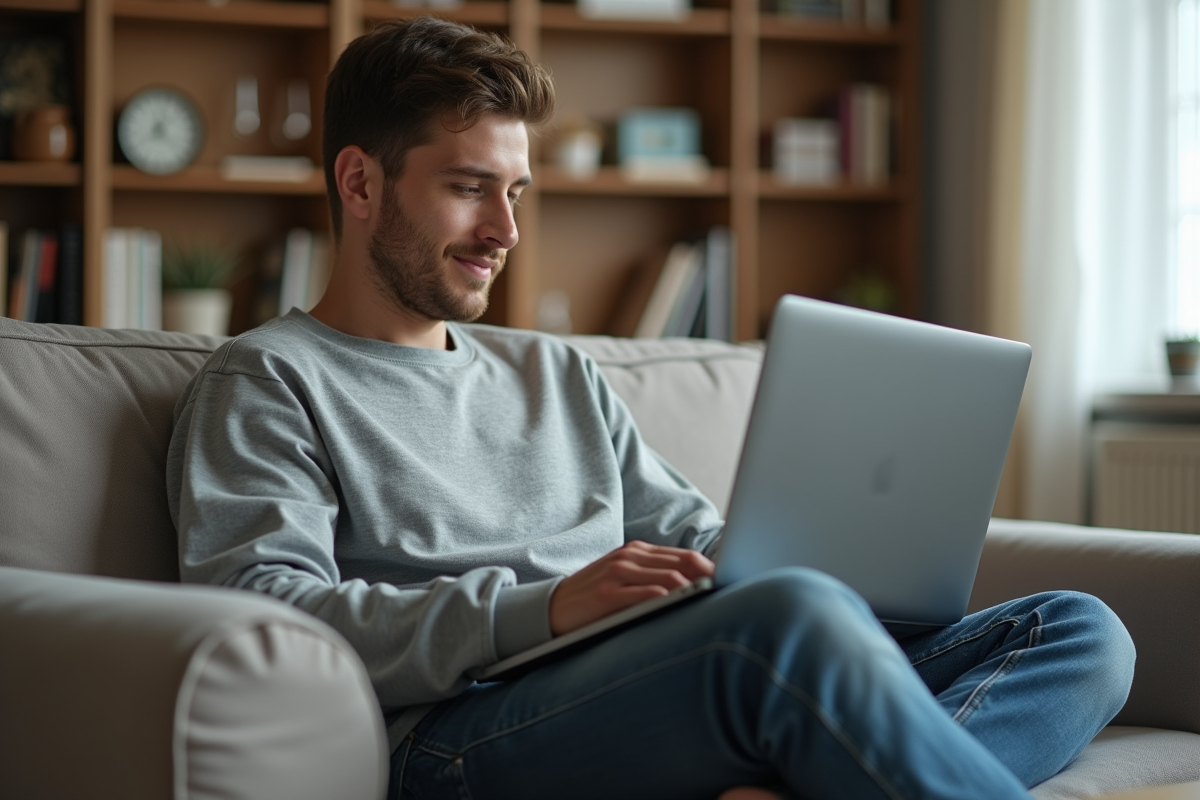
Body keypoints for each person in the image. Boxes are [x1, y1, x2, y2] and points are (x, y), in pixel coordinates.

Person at [166, 16, 1135, 800]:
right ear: (359, 181)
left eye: (515, 192)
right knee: (789, 621)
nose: (505, 230)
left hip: (644, 677)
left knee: (1078, 629)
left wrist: (795, 557)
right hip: (460, 732)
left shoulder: (555, 371)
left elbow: (697, 538)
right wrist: (542, 608)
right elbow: (269, 616)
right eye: (468, 189)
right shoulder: (270, 378)